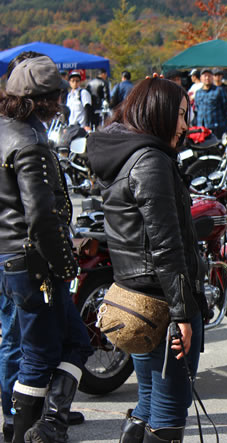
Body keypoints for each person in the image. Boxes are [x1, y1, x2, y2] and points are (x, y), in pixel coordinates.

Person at [88, 76, 206, 443]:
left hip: (134, 296)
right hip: (162, 304)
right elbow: (167, 246)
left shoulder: (123, 152)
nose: (185, 125)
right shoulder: (151, 161)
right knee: (170, 406)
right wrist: (183, 314)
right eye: (181, 115)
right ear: (160, 113)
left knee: (147, 401)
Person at [0, 55, 92, 443]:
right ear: (47, 100)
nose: (59, 102)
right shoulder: (29, 140)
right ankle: (23, 432)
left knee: (64, 341)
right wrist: (65, 263)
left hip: (10, 257)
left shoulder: (6, 130)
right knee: (39, 353)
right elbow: (39, 216)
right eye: (55, 96)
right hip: (29, 261)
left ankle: (41, 421)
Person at [193, 68, 227, 139]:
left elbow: (226, 108)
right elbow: (197, 108)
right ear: (201, 78)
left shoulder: (219, 90)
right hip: (201, 129)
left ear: (212, 77)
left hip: (216, 128)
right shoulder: (198, 92)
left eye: (209, 76)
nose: (207, 78)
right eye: (205, 76)